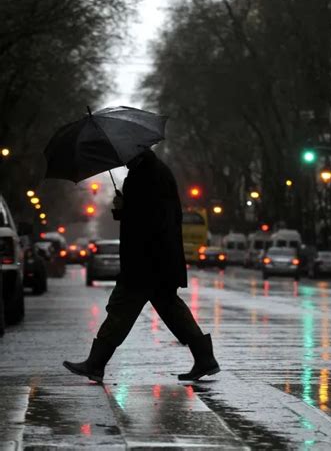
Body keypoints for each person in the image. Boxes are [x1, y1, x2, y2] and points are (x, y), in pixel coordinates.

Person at [63, 148, 219, 382]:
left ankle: (96, 363)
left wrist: (125, 208)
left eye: (125, 156)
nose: (123, 161)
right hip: (157, 260)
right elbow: (149, 215)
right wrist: (124, 209)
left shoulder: (146, 175)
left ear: (135, 153)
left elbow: (147, 220)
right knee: (171, 310)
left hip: (146, 261)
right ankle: (205, 358)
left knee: (120, 309)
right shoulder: (152, 172)